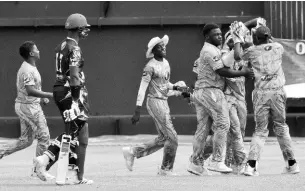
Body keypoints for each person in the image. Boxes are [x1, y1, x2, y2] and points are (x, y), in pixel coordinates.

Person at [182, 23, 254, 176]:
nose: (219, 36)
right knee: (223, 123)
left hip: (202, 92)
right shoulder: (209, 50)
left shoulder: (212, 50)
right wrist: (243, 73)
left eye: (220, 34)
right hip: (211, 91)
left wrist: (236, 39)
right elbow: (222, 70)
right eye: (216, 34)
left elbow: (228, 61)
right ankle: (216, 160)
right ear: (207, 36)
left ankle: (196, 163)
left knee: (202, 128)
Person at [232, 22, 300, 176]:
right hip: (278, 93)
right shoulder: (278, 48)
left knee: (261, 130)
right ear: (268, 37)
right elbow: (269, 40)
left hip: (262, 94)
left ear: (256, 38)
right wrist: (264, 31)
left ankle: (251, 165)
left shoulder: (252, 51)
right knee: (281, 127)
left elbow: (237, 56)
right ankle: (292, 164)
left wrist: (238, 38)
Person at [33, 13, 93, 184]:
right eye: (84, 28)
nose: (85, 31)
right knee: (73, 132)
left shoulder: (62, 45)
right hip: (70, 91)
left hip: (60, 90)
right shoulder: (75, 49)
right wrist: (76, 98)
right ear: (78, 29)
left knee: (81, 135)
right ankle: (45, 160)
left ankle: (75, 174)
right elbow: (74, 76)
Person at [122, 35, 187, 175]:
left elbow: (164, 84)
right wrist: (137, 110)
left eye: (163, 45)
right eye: (159, 46)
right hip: (154, 102)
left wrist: (176, 88)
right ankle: (166, 169)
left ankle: (133, 152)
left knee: (164, 138)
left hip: (163, 102)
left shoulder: (166, 63)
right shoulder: (149, 67)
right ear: (153, 50)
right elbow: (142, 87)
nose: (163, 47)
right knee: (173, 137)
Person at [0, 41, 53, 178]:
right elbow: (30, 91)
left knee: (26, 141)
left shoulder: (30, 67)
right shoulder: (27, 70)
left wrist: (42, 98)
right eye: (36, 49)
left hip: (28, 106)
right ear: (31, 54)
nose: (39, 51)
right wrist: (49, 95)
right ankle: (38, 170)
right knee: (44, 137)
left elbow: (32, 88)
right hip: (29, 108)